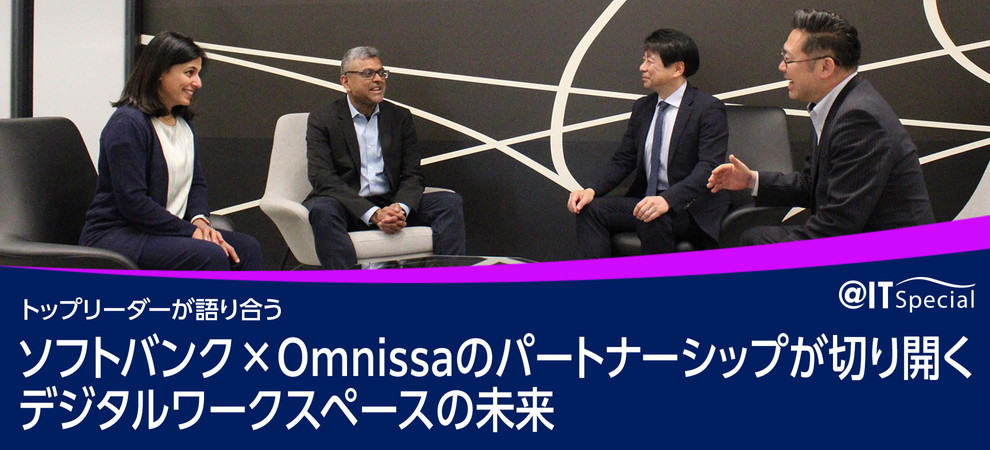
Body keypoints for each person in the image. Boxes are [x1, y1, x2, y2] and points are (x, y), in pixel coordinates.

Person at [707, 10, 934, 244]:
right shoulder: (838, 105)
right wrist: (751, 180)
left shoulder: (859, 119)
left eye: (789, 59)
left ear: (825, 67)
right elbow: (814, 185)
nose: (782, 67)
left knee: (755, 242)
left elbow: (838, 226)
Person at [79, 31, 264, 270]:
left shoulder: (183, 123)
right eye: (189, 73)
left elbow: (196, 183)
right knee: (210, 255)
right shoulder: (127, 124)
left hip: (163, 231)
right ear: (160, 72)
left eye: (198, 74)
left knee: (247, 248)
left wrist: (200, 221)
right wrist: (189, 231)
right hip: (119, 234)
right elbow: (133, 202)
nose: (198, 83)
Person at [567, 29, 730, 258]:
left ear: (677, 69)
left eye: (650, 62)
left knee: (653, 216)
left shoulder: (708, 108)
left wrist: (667, 200)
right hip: (648, 200)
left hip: (691, 207)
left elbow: (708, 168)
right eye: (643, 60)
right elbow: (624, 159)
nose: (642, 68)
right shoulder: (643, 107)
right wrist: (591, 190)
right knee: (591, 210)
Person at [304, 46, 466, 269]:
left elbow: (412, 174)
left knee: (448, 203)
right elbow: (322, 178)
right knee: (323, 209)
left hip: (390, 201)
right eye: (368, 74)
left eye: (381, 73)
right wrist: (373, 214)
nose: (378, 79)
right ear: (346, 82)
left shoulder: (399, 117)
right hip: (348, 206)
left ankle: (447, 284)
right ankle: (346, 286)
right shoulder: (322, 119)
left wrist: (400, 208)